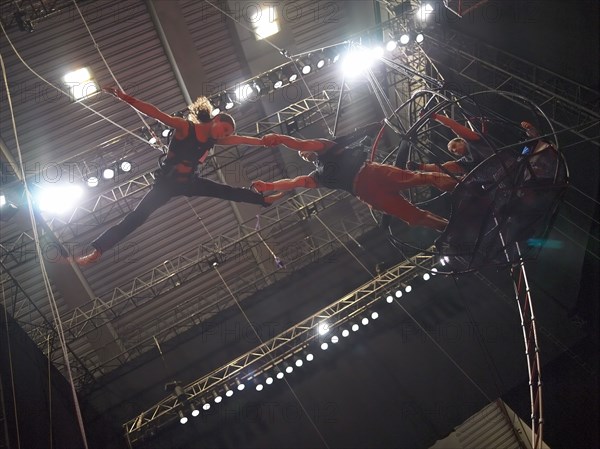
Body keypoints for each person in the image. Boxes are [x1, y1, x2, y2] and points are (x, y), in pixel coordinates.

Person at [76, 88, 281, 265]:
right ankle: (99, 250)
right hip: (166, 184)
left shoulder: (213, 140)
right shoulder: (185, 128)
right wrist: (125, 98)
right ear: (216, 119)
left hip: (189, 182)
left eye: (227, 134)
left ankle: (262, 200)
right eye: (225, 130)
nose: (224, 136)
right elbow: (156, 114)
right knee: (137, 217)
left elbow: (241, 139)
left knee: (225, 191)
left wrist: (264, 141)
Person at [252, 123, 458, 231]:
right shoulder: (319, 175)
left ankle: (461, 186)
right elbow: (295, 182)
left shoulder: (326, 148)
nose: (302, 154)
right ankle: (448, 228)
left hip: (373, 173)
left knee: (421, 178)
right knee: (413, 217)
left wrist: (279, 138)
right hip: (367, 194)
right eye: (301, 155)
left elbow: (300, 144)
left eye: (304, 151)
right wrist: (269, 185)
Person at [406, 112, 491, 175]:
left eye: (454, 146)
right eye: (453, 151)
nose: (454, 150)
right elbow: (443, 168)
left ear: (461, 140)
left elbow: (453, 125)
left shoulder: (472, 140)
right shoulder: (465, 162)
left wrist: (434, 116)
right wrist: (419, 167)